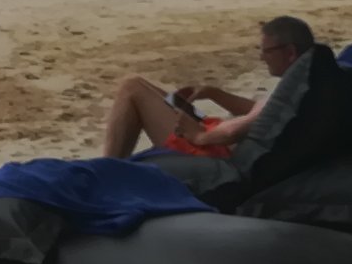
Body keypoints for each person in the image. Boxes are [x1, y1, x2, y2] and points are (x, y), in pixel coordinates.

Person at [100, 16, 314, 159]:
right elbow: (260, 112)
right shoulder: (306, 82)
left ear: (290, 52)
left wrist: (198, 136)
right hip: (217, 135)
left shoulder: (294, 92)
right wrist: (215, 94)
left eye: (267, 51)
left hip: (214, 150)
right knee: (156, 92)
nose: (262, 57)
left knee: (132, 88)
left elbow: (231, 132)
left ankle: (105, 172)